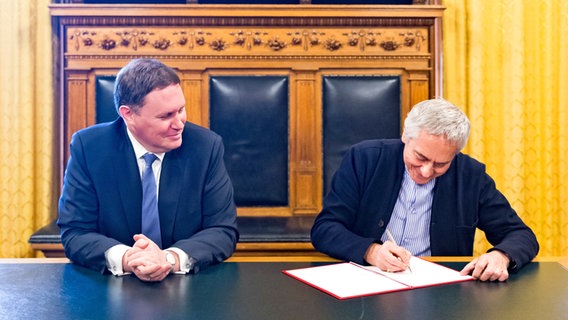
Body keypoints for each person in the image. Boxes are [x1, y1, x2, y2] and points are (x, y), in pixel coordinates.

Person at [311, 98, 539, 282]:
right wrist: (370, 251)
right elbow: (325, 229)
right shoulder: (364, 159)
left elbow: (521, 235)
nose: (427, 171)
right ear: (405, 136)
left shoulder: (471, 176)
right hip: (366, 281)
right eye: (420, 157)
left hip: (439, 292)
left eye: (441, 164)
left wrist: (501, 255)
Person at [57, 58, 239, 282]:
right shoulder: (89, 147)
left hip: (188, 286)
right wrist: (128, 258)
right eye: (165, 116)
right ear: (128, 114)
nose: (179, 123)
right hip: (112, 287)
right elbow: (75, 232)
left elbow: (222, 230)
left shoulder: (205, 146)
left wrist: (169, 259)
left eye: (180, 110)